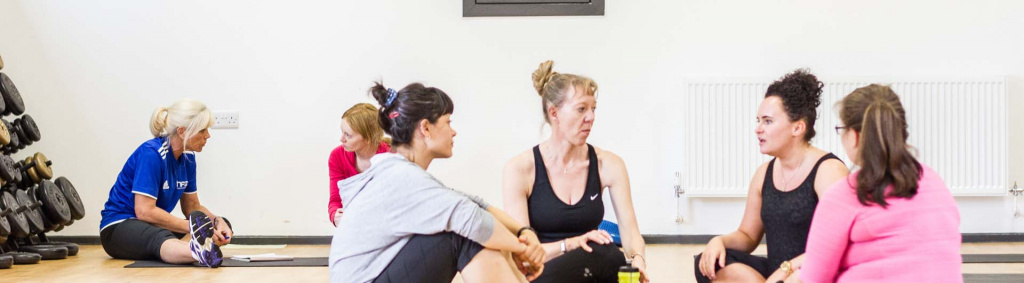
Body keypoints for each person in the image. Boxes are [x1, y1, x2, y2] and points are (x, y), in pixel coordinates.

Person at [328, 82, 545, 283]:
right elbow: (473, 220)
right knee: (464, 236)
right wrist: (523, 250)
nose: (453, 131)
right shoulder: (401, 177)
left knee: (476, 230)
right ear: (426, 128)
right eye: (448, 122)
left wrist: (524, 232)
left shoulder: (401, 172)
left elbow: (472, 203)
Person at [793, 84, 962, 282]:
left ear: (854, 136)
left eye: (841, 130)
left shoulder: (845, 195)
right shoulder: (933, 181)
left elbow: (814, 279)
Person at [695, 69, 849, 282]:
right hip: (776, 271)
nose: (758, 129)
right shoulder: (763, 174)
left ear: (797, 127)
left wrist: (787, 271)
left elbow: (837, 245)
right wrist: (718, 241)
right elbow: (748, 236)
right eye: (758, 120)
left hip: (812, 271)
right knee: (709, 261)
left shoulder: (828, 171)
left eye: (767, 121)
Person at [502, 60, 649, 283]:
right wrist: (571, 244)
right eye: (581, 109)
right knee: (605, 253)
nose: (591, 117)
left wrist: (638, 259)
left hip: (593, 266)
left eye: (593, 109)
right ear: (554, 113)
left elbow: (630, 233)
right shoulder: (520, 169)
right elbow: (523, 254)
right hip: (543, 271)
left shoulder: (608, 164)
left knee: (608, 255)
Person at [99, 99, 232, 268]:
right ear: (182, 131)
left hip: (151, 225)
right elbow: (145, 212)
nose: (208, 136)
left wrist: (217, 221)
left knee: (211, 229)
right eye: (202, 130)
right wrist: (191, 228)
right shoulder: (152, 154)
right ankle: (194, 252)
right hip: (119, 227)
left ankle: (189, 250)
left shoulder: (188, 159)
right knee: (161, 236)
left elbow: (192, 207)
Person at [327, 103, 391, 226]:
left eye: (348, 135)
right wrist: (335, 215)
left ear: (368, 138)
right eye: (342, 132)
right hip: (353, 225)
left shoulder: (391, 157)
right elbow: (335, 200)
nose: (341, 139)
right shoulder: (337, 156)